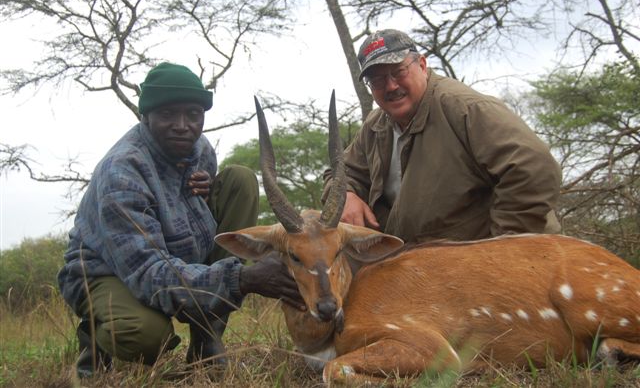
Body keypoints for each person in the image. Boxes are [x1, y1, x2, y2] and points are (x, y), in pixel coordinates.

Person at [57, 62, 304, 378]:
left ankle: (206, 336)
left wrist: (206, 189)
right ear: (145, 116)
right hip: (108, 272)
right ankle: (95, 342)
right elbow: (150, 274)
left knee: (240, 180)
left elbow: (185, 207)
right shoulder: (121, 173)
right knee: (145, 335)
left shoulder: (199, 148)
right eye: (167, 114)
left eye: (193, 114)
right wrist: (243, 279)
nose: (182, 125)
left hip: (173, 254)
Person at [324, 29, 561, 243]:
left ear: (423, 66)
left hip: (478, 262)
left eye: (398, 71)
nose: (390, 86)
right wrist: (346, 194)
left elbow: (534, 168)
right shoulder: (376, 125)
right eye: (377, 80)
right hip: (413, 265)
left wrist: (501, 247)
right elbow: (340, 172)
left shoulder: (464, 108)